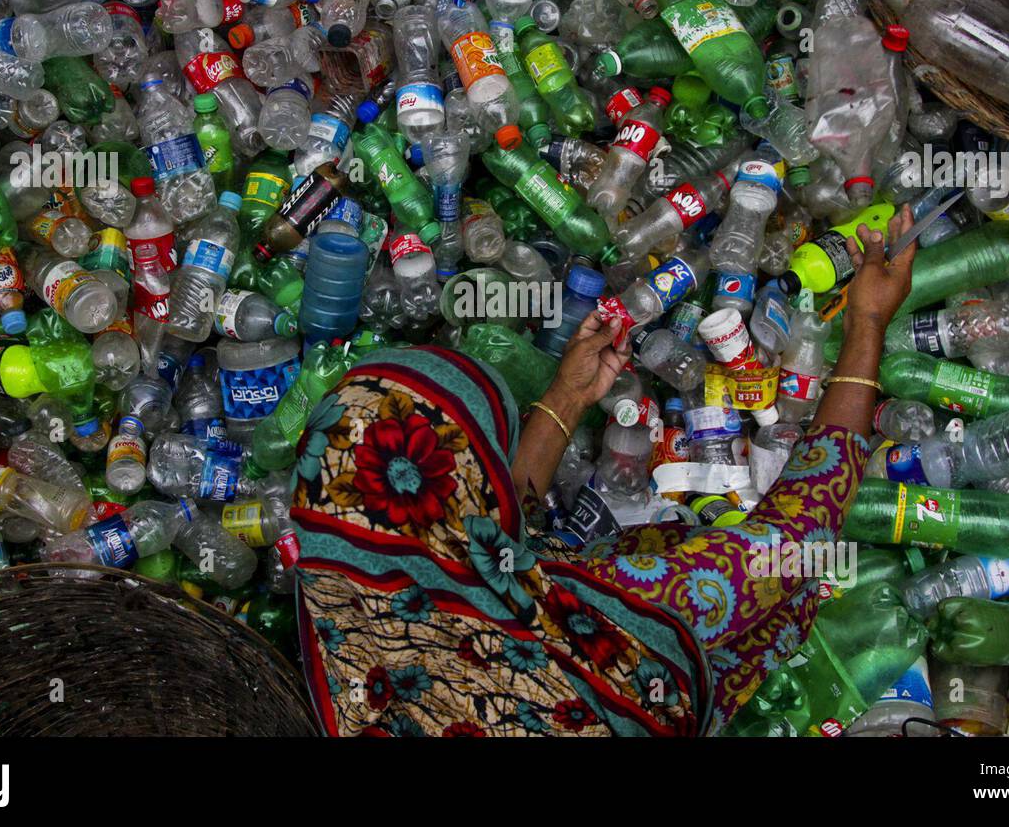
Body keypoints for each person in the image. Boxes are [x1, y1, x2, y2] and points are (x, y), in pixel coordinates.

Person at [287, 208, 919, 736]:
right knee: (785, 589)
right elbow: (800, 532)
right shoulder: (619, 621)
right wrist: (866, 325)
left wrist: (567, 394)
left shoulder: (348, 601)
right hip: (631, 688)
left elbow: (495, 531)